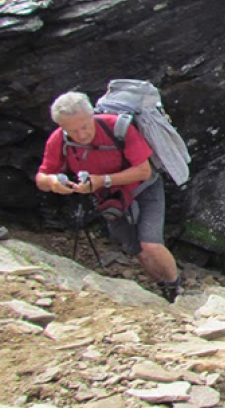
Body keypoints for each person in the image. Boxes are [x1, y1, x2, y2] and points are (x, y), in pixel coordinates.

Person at [35, 92, 181, 302]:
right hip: (109, 196)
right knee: (136, 249)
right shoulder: (59, 140)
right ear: (63, 128)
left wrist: (102, 181)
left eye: (85, 126)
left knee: (150, 243)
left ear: (92, 115)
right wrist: (53, 183)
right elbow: (42, 177)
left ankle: (176, 287)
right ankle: (163, 288)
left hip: (143, 188)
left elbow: (144, 171)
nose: (82, 134)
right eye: (73, 130)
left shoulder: (117, 128)